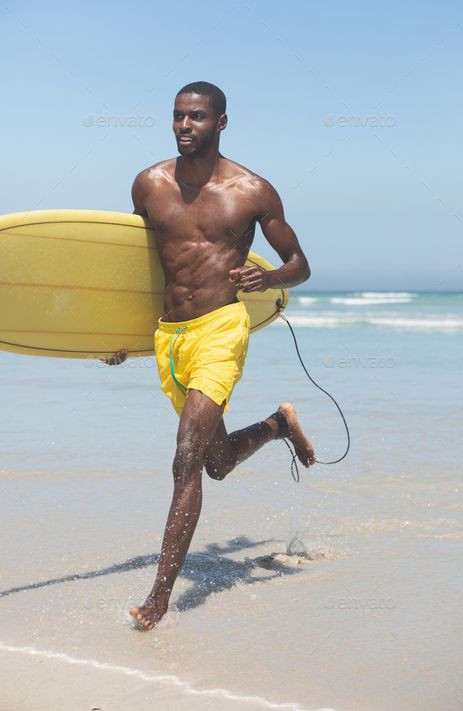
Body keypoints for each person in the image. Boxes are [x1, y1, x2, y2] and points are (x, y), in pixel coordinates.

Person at [104, 81, 316, 630]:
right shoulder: (148, 185)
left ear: (221, 122)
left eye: (196, 116)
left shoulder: (252, 191)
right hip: (169, 338)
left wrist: (267, 275)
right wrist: (111, 334)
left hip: (222, 329)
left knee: (186, 456)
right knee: (215, 464)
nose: (184, 125)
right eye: (177, 116)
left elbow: (299, 263)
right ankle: (277, 424)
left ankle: (158, 598)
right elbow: (135, 268)